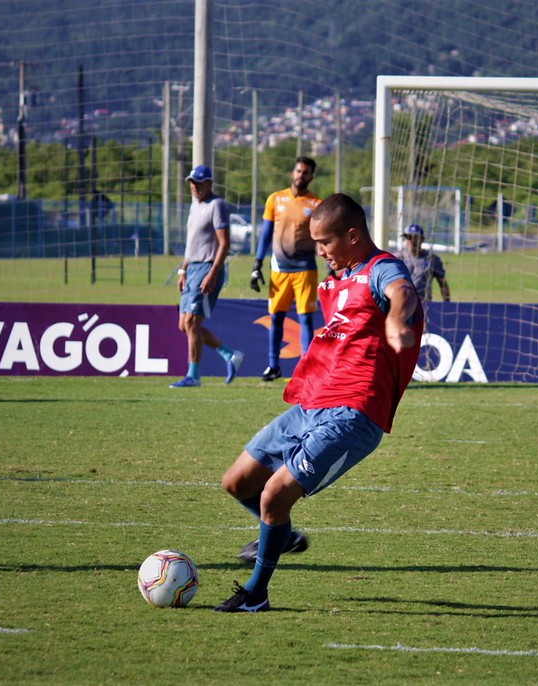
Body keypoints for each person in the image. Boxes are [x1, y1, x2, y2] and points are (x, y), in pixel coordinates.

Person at [214, 193, 424, 612]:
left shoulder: (381, 268)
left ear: (352, 235)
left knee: (274, 497)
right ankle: (282, 535)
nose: (320, 251)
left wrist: (398, 320)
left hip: (354, 412)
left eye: (325, 242)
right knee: (236, 482)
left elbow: (402, 291)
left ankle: (256, 593)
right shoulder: (337, 277)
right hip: (312, 403)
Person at [169, 164, 244, 388]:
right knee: (184, 325)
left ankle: (193, 375)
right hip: (191, 268)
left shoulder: (217, 205)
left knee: (192, 321)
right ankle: (230, 355)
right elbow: (192, 243)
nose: (194, 187)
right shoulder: (195, 206)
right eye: (192, 182)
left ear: (209, 183)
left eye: (199, 183)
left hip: (207, 268)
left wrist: (212, 273)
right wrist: (183, 269)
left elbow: (224, 243)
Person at [250, 156, 322, 381]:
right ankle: (273, 366)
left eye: (306, 173)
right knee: (276, 318)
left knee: (305, 320)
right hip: (279, 269)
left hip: (305, 268)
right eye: (299, 171)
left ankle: (306, 368)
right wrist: (257, 264)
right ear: (293, 172)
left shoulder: (317, 205)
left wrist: (331, 265)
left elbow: (322, 238)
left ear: (311, 177)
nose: (301, 175)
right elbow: (265, 235)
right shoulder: (275, 199)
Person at [395, 223, 451, 302]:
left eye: (414, 238)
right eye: (408, 237)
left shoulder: (432, 259)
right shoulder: (397, 258)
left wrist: (447, 303)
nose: (411, 241)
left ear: (422, 239)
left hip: (423, 304)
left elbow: (442, 282)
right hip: (401, 303)